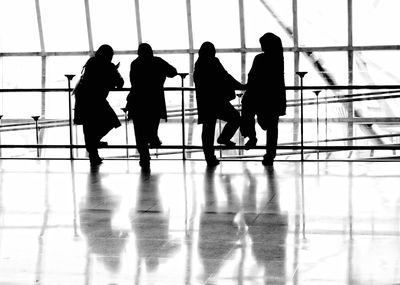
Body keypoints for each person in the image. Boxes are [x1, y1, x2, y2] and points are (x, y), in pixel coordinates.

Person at [125, 43, 178, 170]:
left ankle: (144, 158)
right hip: (155, 100)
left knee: (139, 131)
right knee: (152, 125)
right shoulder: (158, 62)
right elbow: (173, 72)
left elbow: (134, 82)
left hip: (138, 101)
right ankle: (153, 138)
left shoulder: (135, 64)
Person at [193, 42, 244, 167]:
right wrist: (241, 86)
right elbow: (226, 77)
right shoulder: (214, 62)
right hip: (217, 101)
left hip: (206, 102)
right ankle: (223, 138)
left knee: (207, 131)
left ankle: (209, 157)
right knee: (235, 118)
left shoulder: (198, 66)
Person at [73, 44, 124, 166]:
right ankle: (94, 142)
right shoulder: (108, 66)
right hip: (97, 99)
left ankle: (93, 153)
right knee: (111, 120)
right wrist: (115, 70)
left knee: (88, 127)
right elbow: (120, 83)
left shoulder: (91, 62)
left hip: (83, 98)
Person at [240, 33, 286, 166]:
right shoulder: (278, 60)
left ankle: (252, 136)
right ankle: (270, 155)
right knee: (271, 128)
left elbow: (252, 77)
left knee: (248, 113)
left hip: (257, 96)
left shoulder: (260, 58)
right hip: (273, 99)